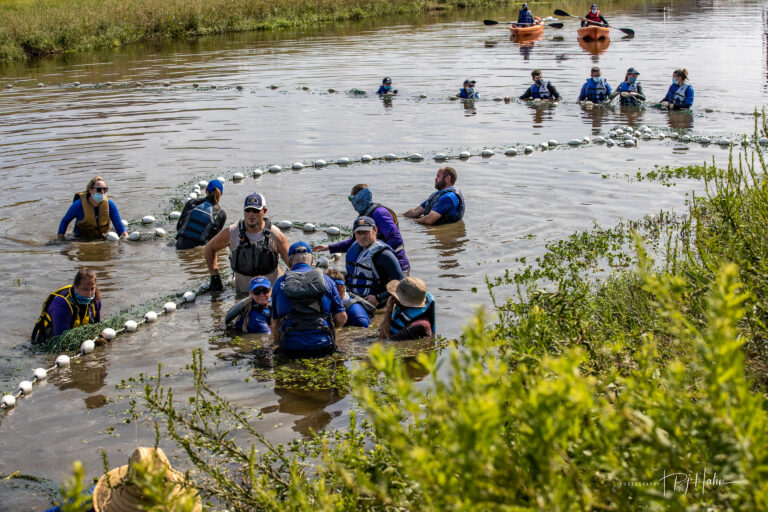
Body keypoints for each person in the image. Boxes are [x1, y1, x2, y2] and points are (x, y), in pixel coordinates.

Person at [271, 242, 347, 358]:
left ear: (290, 262)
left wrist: (278, 343)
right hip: (323, 346)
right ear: (311, 261)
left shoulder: (279, 283)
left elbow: (275, 324)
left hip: (290, 348)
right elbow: (342, 317)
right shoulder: (328, 281)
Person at [313, 184, 410, 274]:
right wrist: (329, 248)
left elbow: (396, 239)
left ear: (359, 198)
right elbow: (356, 242)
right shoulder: (365, 215)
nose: (352, 203)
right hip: (379, 269)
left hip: (397, 267)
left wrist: (374, 256)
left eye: (351, 199)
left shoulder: (379, 213)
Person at [204, 192, 290, 293]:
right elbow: (209, 248)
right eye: (248, 210)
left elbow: (294, 264)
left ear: (264, 211)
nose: (251, 215)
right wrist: (215, 277)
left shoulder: (275, 235)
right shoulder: (232, 232)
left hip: (270, 295)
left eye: (255, 211)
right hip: (242, 294)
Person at [345, 216, 405, 308]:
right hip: (355, 299)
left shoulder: (385, 255)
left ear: (375, 230)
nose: (362, 236)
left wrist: (379, 298)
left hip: (377, 303)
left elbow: (400, 282)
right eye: (359, 233)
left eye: (366, 232)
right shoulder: (353, 250)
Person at [31, 268, 100, 344]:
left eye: (92, 289)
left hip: (77, 339)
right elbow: (61, 340)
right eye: (85, 289)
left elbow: (96, 326)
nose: (89, 294)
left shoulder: (95, 299)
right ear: (75, 286)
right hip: (46, 343)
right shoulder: (61, 304)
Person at [58, 176, 127, 240]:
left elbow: (119, 226)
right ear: (90, 190)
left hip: (102, 236)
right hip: (80, 238)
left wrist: (126, 237)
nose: (102, 192)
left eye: (105, 189)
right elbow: (65, 221)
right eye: (99, 189)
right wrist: (60, 240)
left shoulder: (110, 205)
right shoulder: (78, 205)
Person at [175, 179, 227, 250]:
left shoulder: (191, 203)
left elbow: (179, 227)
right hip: (197, 249)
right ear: (221, 194)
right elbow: (214, 240)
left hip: (179, 245)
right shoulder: (221, 214)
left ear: (206, 191)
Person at [379, 277, 436, 341]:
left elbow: (384, 339)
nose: (393, 297)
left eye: (396, 295)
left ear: (406, 302)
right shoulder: (402, 309)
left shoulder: (419, 325)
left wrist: (388, 311)